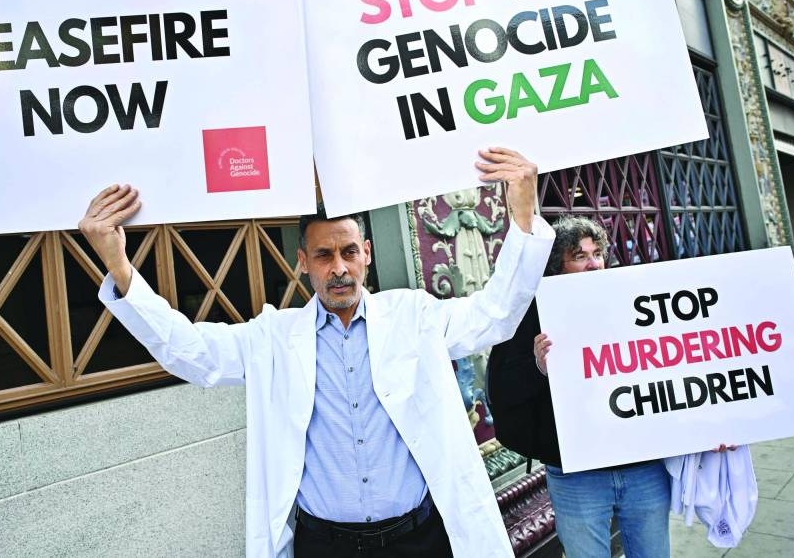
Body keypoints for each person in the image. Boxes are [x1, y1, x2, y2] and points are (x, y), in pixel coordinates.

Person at [78, 147, 554, 558]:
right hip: (325, 546)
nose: (339, 268)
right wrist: (118, 265)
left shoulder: (413, 316)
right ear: (303, 262)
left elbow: (496, 315)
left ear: (367, 253)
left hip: (419, 540)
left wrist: (522, 216)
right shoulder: (272, 338)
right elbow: (190, 352)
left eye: (349, 252)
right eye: (324, 256)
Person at [488, 217, 671, 558]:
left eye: (597, 254)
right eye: (580, 256)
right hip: (578, 477)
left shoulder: (633, 301)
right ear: (557, 266)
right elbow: (504, 391)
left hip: (642, 469)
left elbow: (674, 371)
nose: (593, 264)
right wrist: (539, 368)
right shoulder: (531, 315)